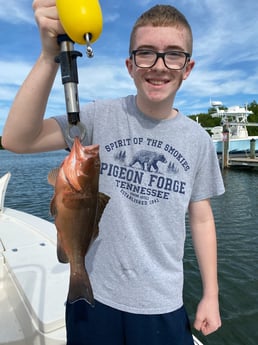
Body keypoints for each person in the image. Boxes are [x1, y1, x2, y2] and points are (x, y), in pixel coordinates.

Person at [2, 1, 225, 344]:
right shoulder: (99, 117)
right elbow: (17, 139)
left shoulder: (198, 139)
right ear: (129, 64)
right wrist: (50, 57)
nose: (159, 65)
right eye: (146, 53)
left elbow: (202, 218)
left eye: (174, 55)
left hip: (161, 303)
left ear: (188, 67)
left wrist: (210, 294)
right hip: (94, 293)